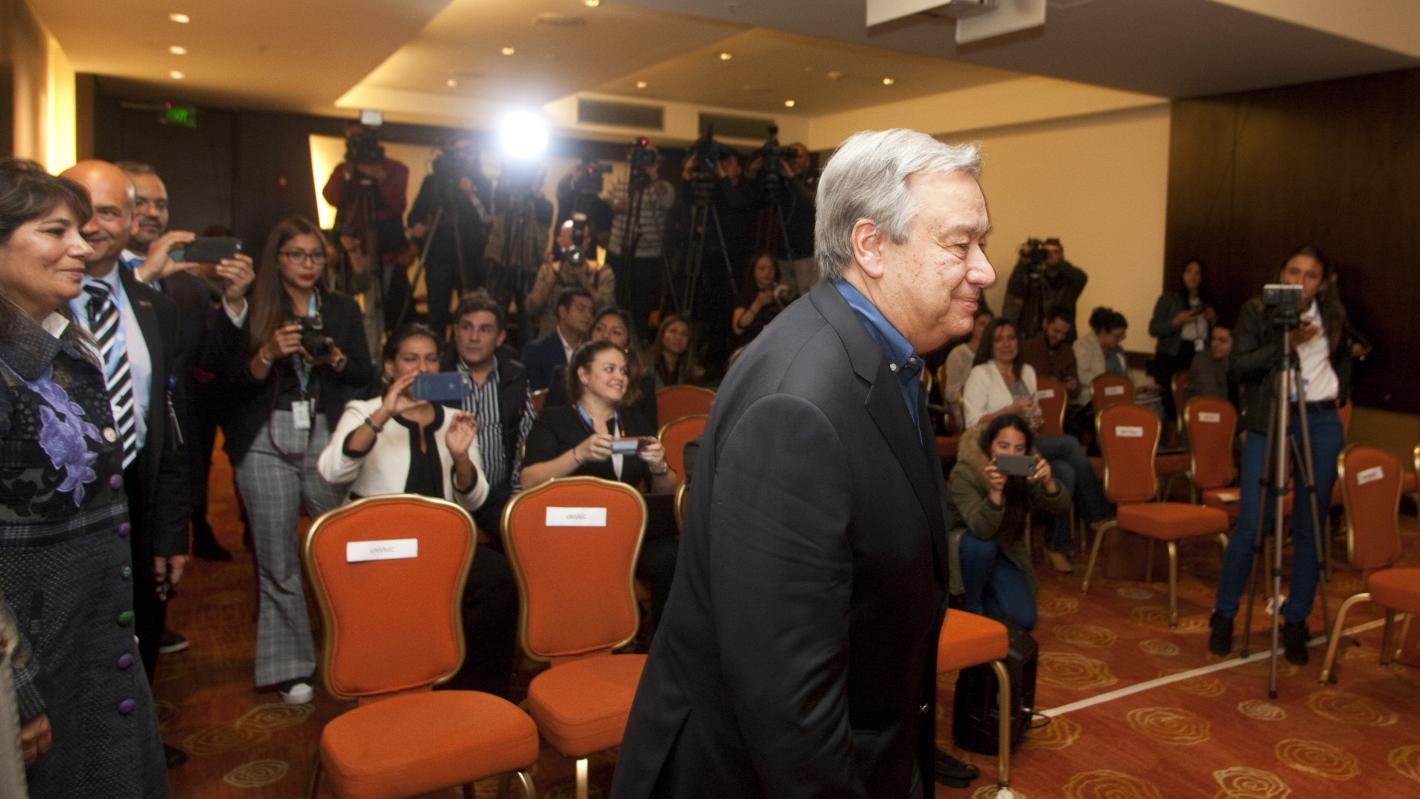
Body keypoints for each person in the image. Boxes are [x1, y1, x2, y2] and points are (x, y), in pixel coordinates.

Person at [613, 128, 995, 798]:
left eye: (982, 243)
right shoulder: (798, 404)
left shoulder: (883, 355)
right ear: (871, 246)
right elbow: (786, 703)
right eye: (960, 245)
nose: (985, 270)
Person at [0, 157, 170, 795]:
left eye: (82, 228)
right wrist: (15, 687)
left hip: (99, 645)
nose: (82, 245)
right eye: (56, 231)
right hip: (34, 660)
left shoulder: (67, 346)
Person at [61, 160, 195, 767]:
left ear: (132, 220)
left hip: (140, 492)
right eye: (79, 211)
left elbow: (168, 423)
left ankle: (133, 744)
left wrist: (171, 528)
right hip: (67, 505)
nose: (92, 226)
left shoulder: (153, 306)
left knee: (141, 617)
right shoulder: (31, 302)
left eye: (109, 212)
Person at [318, 323, 519, 695]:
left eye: (430, 359)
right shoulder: (364, 411)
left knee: (499, 579)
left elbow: (474, 499)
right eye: (410, 359)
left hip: (440, 539)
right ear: (390, 367)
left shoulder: (452, 416)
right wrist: (383, 414)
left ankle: (478, 693)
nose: (422, 368)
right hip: (381, 543)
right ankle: (397, 688)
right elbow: (332, 471)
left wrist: (461, 456)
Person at [226, 216, 372, 705]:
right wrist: (269, 353)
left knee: (341, 544)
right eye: (297, 255)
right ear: (278, 259)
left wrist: (334, 359)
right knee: (277, 557)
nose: (308, 264)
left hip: (325, 432)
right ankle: (291, 666)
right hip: (266, 437)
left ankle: (358, 647)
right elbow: (228, 383)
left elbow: (364, 375)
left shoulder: (342, 308)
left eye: (316, 255)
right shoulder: (255, 306)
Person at [1210, 246, 1358, 665]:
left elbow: (1342, 361)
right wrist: (1286, 343)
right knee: (1252, 521)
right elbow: (1239, 367)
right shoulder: (1257, 311)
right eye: (1293, 271)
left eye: (1310, 275)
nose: (1300, 281)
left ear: (1322, 283)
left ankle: (1296, 619)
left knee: (1311, 523)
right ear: (1281, 273)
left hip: (1321, 420)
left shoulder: (1333, 314)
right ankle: (1224, 615)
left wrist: (1339, 394)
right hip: (1271, 416)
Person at [116, 161, 253, 566]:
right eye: (140, 203)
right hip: (109, 455)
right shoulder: (84, 274)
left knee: (159, 566)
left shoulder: (188, 288)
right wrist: (142, 277)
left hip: (170, 454)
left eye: (160, 204)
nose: (153, 213)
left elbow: (208, 364)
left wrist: (233, 304)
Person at [520, 340, 679, 625]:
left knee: (671, 555)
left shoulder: (635, 421)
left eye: (623, 370)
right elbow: (529, 481)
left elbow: (665, 493)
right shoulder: (555, 419)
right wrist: (578, 455)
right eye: (609, 369)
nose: (620, 377)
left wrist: (659, 467)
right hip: (573, 531)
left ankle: (659, 645)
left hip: (626, 531)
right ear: (583, 375)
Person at [964, 318, 1111, 573]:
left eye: (1011, 338)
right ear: (990, 344)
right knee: (1069, 444)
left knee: (1064, 471)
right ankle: (1098, 516)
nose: (1006, 344)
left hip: (1028, 448)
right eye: (999, 339)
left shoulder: (1027, 372)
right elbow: (972, 422)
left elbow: (1032, 417)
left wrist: (1034, 418)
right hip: (998, 459)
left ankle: (1055, 546)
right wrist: (1009, 411)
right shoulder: (981, 373)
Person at [950, 415, 1070, 631]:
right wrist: (995, 492)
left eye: (1019, 448)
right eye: (1003, 446)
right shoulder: (965, 472)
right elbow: (981, 529)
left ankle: (979, 596)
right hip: (967, 549)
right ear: (989, 444)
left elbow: (1060, 507)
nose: (1011, 455)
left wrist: (1048, 482)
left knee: (1023, 619)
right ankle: (971, 606)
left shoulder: (1022, 471)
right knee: (983, 546)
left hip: (1005, 550)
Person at [441, 291, 537, 539]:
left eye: (485, 330)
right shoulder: (438, 374)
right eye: (466, 327)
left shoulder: (515, 375)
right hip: (450, 496)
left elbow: (525, 438)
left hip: (501, 494)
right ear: (455, 332)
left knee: (527, 540)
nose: (474, 337)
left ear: (500, 337)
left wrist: (516, 497)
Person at [322, 122, 410, 333]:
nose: (356, 144)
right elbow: (331, 197)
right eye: (351, 140)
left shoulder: (394, 168)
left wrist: (381, 178)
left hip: (383, 248)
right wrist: (348, 173)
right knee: (342, 300)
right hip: (349, 246)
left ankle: (376, 345)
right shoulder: (345, 170)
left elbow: (397, 205)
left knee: (377, 306)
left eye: (360, 139)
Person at [407, 135, 491, 337]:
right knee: (437, 313)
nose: (462, 157)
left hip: (470, 258)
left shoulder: (482, 182)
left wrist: (470, 194)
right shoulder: (433, 182)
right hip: (438, 256)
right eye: (457, 151)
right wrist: (417, 226)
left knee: (469, 313)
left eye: (467, 151)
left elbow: (487, 219)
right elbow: (415, 215)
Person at [545, 306, 658, 426]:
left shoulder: (643, 383)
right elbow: (547, 426)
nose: (605, 336)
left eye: (616, 332)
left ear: (627, 345)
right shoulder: (563, 376)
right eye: (599, 329)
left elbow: (648, 433)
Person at [606, 147, 675, 335]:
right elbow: (610, 202)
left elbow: (668, 201)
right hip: (618, 251)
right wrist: (617, 205)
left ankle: (638, 340)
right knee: (614, 299)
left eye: (649, 158)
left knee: (641, 305)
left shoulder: (663, 186)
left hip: (647, 256)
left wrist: (652, 175)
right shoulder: (622, 182)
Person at [1149, 258, 1216, 421]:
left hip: (1199, 353)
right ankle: (1171, 432)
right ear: (1182, 275)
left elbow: (1215, 333)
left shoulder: (1207, 302)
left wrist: (1212, 320)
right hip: (1172, 355)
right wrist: (1176, 322)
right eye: (1189, 271)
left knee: (1196, 400)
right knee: (1171, 403)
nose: (1193, 276)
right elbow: (1153, 329)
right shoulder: (1169, 299)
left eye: (1198, 273)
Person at [525, 218, 615, 338]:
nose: (577, 244)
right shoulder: (549, 270)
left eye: (582, 238)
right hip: (552, 339)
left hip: (586, 341)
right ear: (560, 241)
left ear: (588, 241)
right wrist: (549, 281)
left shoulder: (601, 272)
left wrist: (585, 282)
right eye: (573, 238)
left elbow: (608, 311)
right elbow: (531, 309)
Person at [1003, 237, 1087, 340]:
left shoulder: (1069, 282)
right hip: (1034, 337)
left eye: (1055, 252)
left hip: (1063, 338)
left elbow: (1082, 278)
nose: (1050, 255)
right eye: (1047, 252)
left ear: (1062, 256)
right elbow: (1013, 289)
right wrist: (1023, 261)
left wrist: (1059, 263)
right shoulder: (1033, 277)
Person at [520, 286, 593, 391]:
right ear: (562, 312)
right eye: (581, 309)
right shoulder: (536, 350)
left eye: (591, 311)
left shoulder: (593, 351)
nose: (588, 316)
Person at [773, 142, 818, 296]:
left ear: (807, 161)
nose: (795, 161)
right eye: (792, 157)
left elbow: (811, 203)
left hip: (805, 254)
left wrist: (792, 178)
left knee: (806, 297)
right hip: (783, 253)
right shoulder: (780, 182)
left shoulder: (814, 180)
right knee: (785, 296)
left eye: (799, 157)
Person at [942, 307, 993, 429]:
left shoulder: (996, 352)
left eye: (990, 326)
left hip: (992, 405)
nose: (987, 329)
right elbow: (950, 393)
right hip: (964, 409)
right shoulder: (958, 354)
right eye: (982, 324)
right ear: (972, 326)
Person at [731, 251, 789, 347]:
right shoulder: (745, 295)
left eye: (771, 269)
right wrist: (757, 304)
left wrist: (780, 300)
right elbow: (738, 329)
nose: (767, 272)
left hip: (778, 343)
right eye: (762, 268)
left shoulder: (781, 291)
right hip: (752, 345)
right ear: (753, 271)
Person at [1074, 305, 1130, 403]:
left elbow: (1125, 377)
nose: (1120, 340)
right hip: (1089, 401)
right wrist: (1108, 382)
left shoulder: (1117, 350)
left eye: (1122, 336)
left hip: (1114, 399)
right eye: (1117, 336)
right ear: (1103, 332)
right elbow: (1081, 375)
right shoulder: (1083, 346)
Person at [648, 313, 701, 389]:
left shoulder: (688, 370)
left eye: (684, 334)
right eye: (673, 331)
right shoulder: (646, 366)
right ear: (662, 335)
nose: (678, 337)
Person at [1189, 325, 1232, 400]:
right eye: (1213, 339)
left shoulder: (1243, 361)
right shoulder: (1202, 360)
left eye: (1222, 341)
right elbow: (1211, 397)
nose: (1214, 344)